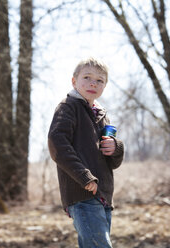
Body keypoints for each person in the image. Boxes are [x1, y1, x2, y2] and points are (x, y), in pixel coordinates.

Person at [48, 57, 124, 247]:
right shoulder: (68, 107)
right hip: (82, 192)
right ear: (74, 81)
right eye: (87, 77)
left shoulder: (101, 115)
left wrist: (115, 148)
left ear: (105, 86)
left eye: (100, 80)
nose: (93, 83)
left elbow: (112, 163)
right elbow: (58, 145)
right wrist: (83, 176)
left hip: (103, 194)